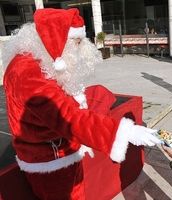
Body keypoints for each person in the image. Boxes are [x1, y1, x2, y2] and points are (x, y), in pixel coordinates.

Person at [2, 8, 161, 200]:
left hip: (59, 151)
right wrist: (124, 132)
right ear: (56, 38)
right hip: (51, 161)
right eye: (76, 43)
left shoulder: (38, 60)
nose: (79, 50)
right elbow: (68, 116)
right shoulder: (27, 71)